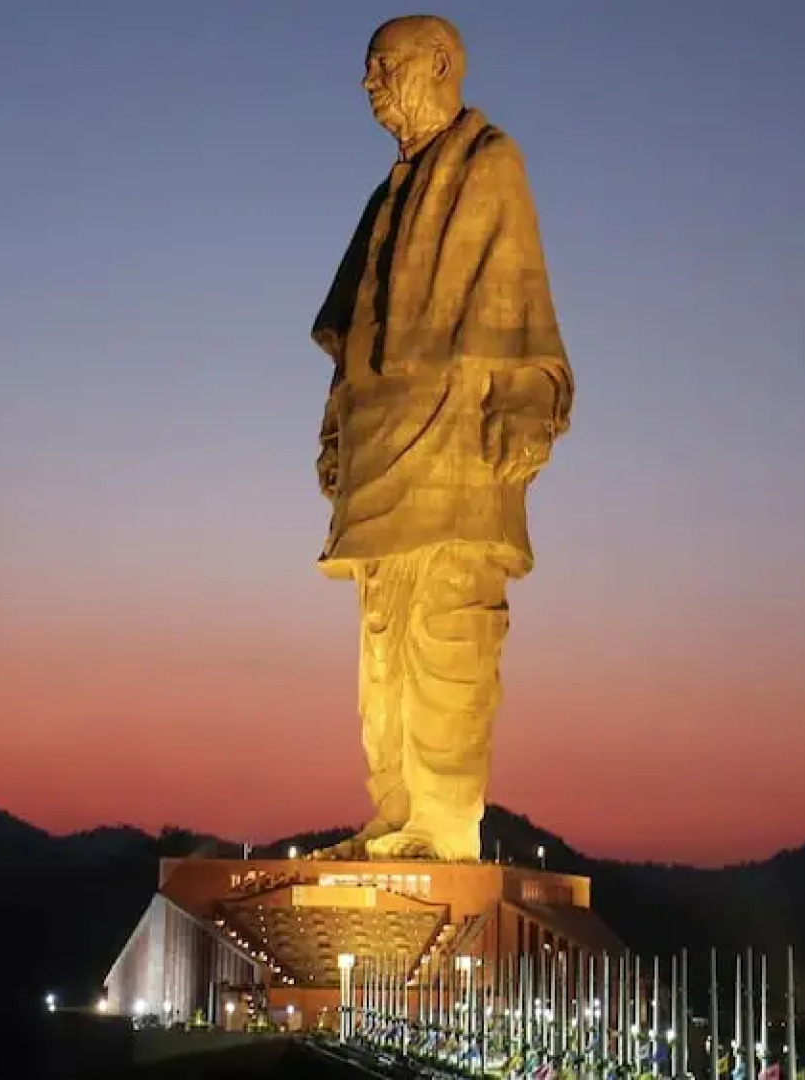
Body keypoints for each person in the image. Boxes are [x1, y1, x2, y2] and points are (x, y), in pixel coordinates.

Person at [309, 14, 573, 863]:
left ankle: (444, 822)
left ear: (439, 63)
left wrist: (526, 402)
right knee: (382, 640)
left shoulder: (489, 163)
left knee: (450, 629)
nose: (370, 83)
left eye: (382, 66)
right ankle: (395, 814)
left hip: (457, 437)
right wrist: (335, 428)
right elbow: (352, 332)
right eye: (368, 68)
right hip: (382, 442)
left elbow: (518, 300)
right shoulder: (385, 195)